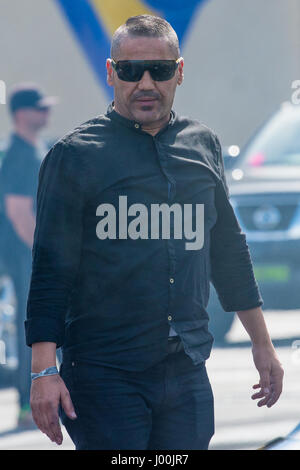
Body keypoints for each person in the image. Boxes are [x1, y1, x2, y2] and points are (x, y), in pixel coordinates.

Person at [26, 15, 283, 450]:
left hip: (185, 367)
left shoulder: (203, 145)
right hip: (104, 372)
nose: (145, 82)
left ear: (179, 72)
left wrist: (263, 343)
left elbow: (227, 251)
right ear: (111, 73)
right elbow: (51, 269)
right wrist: (42, 371)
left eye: (160, 70)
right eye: (130, 70)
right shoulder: (73, 156)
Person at [0, 83, 57, 428]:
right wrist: (46, 253)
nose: (47, 114)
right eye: (41, 108)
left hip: (34, 256)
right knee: (32, 327)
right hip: (27, 256)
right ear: (22, 114)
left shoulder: (38, 148)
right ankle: (26, 406)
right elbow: (19, 213)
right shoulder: (20, 154)